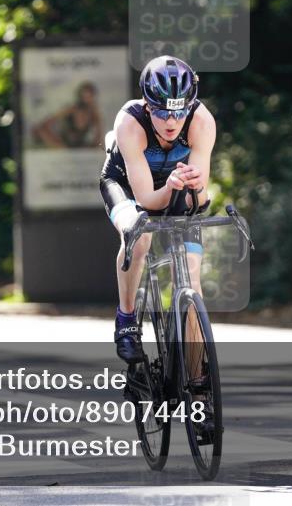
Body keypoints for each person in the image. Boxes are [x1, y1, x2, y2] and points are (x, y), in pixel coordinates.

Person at [99, 55, 215, 363]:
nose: (171, 122)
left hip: (173, 185)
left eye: (179, 112)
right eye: (162, 112)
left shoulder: (202, 121)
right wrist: (173, 186)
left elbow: (198, 200)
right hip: (126, 185)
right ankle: (126, 321)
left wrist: (191, 191)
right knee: (140, 235)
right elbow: (148, 201)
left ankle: (196, 378)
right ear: (148, 105)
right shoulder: (130, 122)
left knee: (191, 274)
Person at [32, 81, 103, 148]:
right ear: (80, 96)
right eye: (85, 96)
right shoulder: (71, 109)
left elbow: (98, 135)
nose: (88, 99)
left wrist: (93, 146)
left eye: (90, 96)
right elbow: (47, 122)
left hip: (79, 145)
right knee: (40, 130)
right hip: (63, 142)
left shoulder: (94, 113)